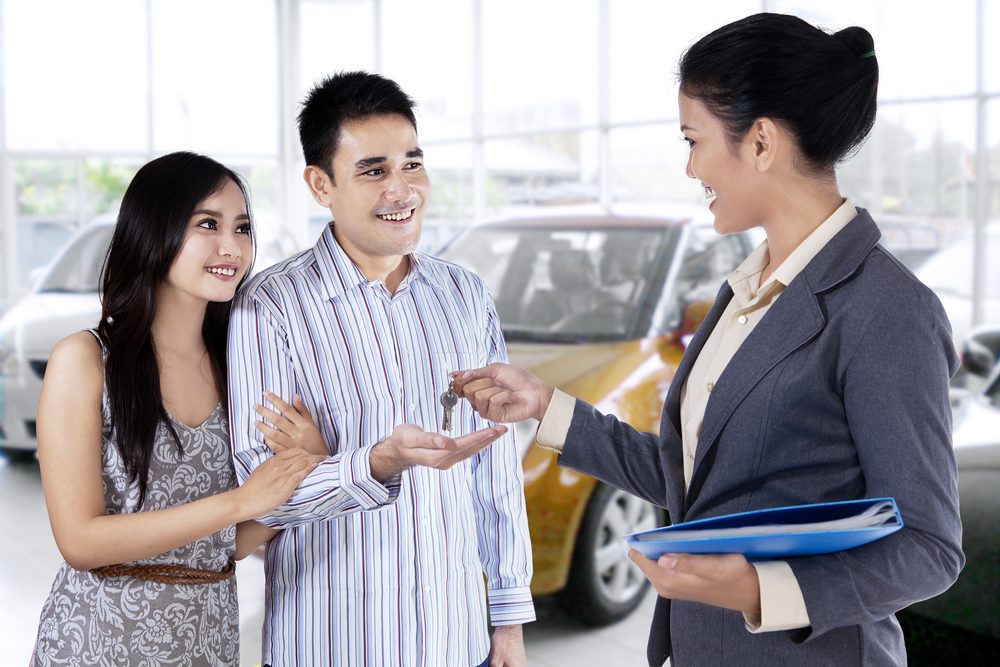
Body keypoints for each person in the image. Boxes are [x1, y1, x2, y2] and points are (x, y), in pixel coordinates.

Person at [452, 13, 963, 667]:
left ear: (760, 143)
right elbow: (692, 478)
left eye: (693, 139)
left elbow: (928, 546)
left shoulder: (886, 310)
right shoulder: (745, 289)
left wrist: (761, 588)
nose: (690, 164)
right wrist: (544, 405)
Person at [227, 71, 534, 667]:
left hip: (457, 639)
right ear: (321, 184)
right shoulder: (271, 307)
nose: (403, 189)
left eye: (412, 164)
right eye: (374, 171)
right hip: (333, 641)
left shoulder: (464, 295)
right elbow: (260, 497)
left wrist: (509, 623)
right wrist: (374, 463)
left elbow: (495, 471)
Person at [30, 152, 323, 667]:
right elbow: (80, 540)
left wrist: (309, 472)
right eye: (207, 224)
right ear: (153, 231)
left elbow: (223, 546)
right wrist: (239, 502)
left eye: (242, 227)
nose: (231, 246)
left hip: (207, 645)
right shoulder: (83, 361)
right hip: (99, 645)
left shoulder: (240, 369)